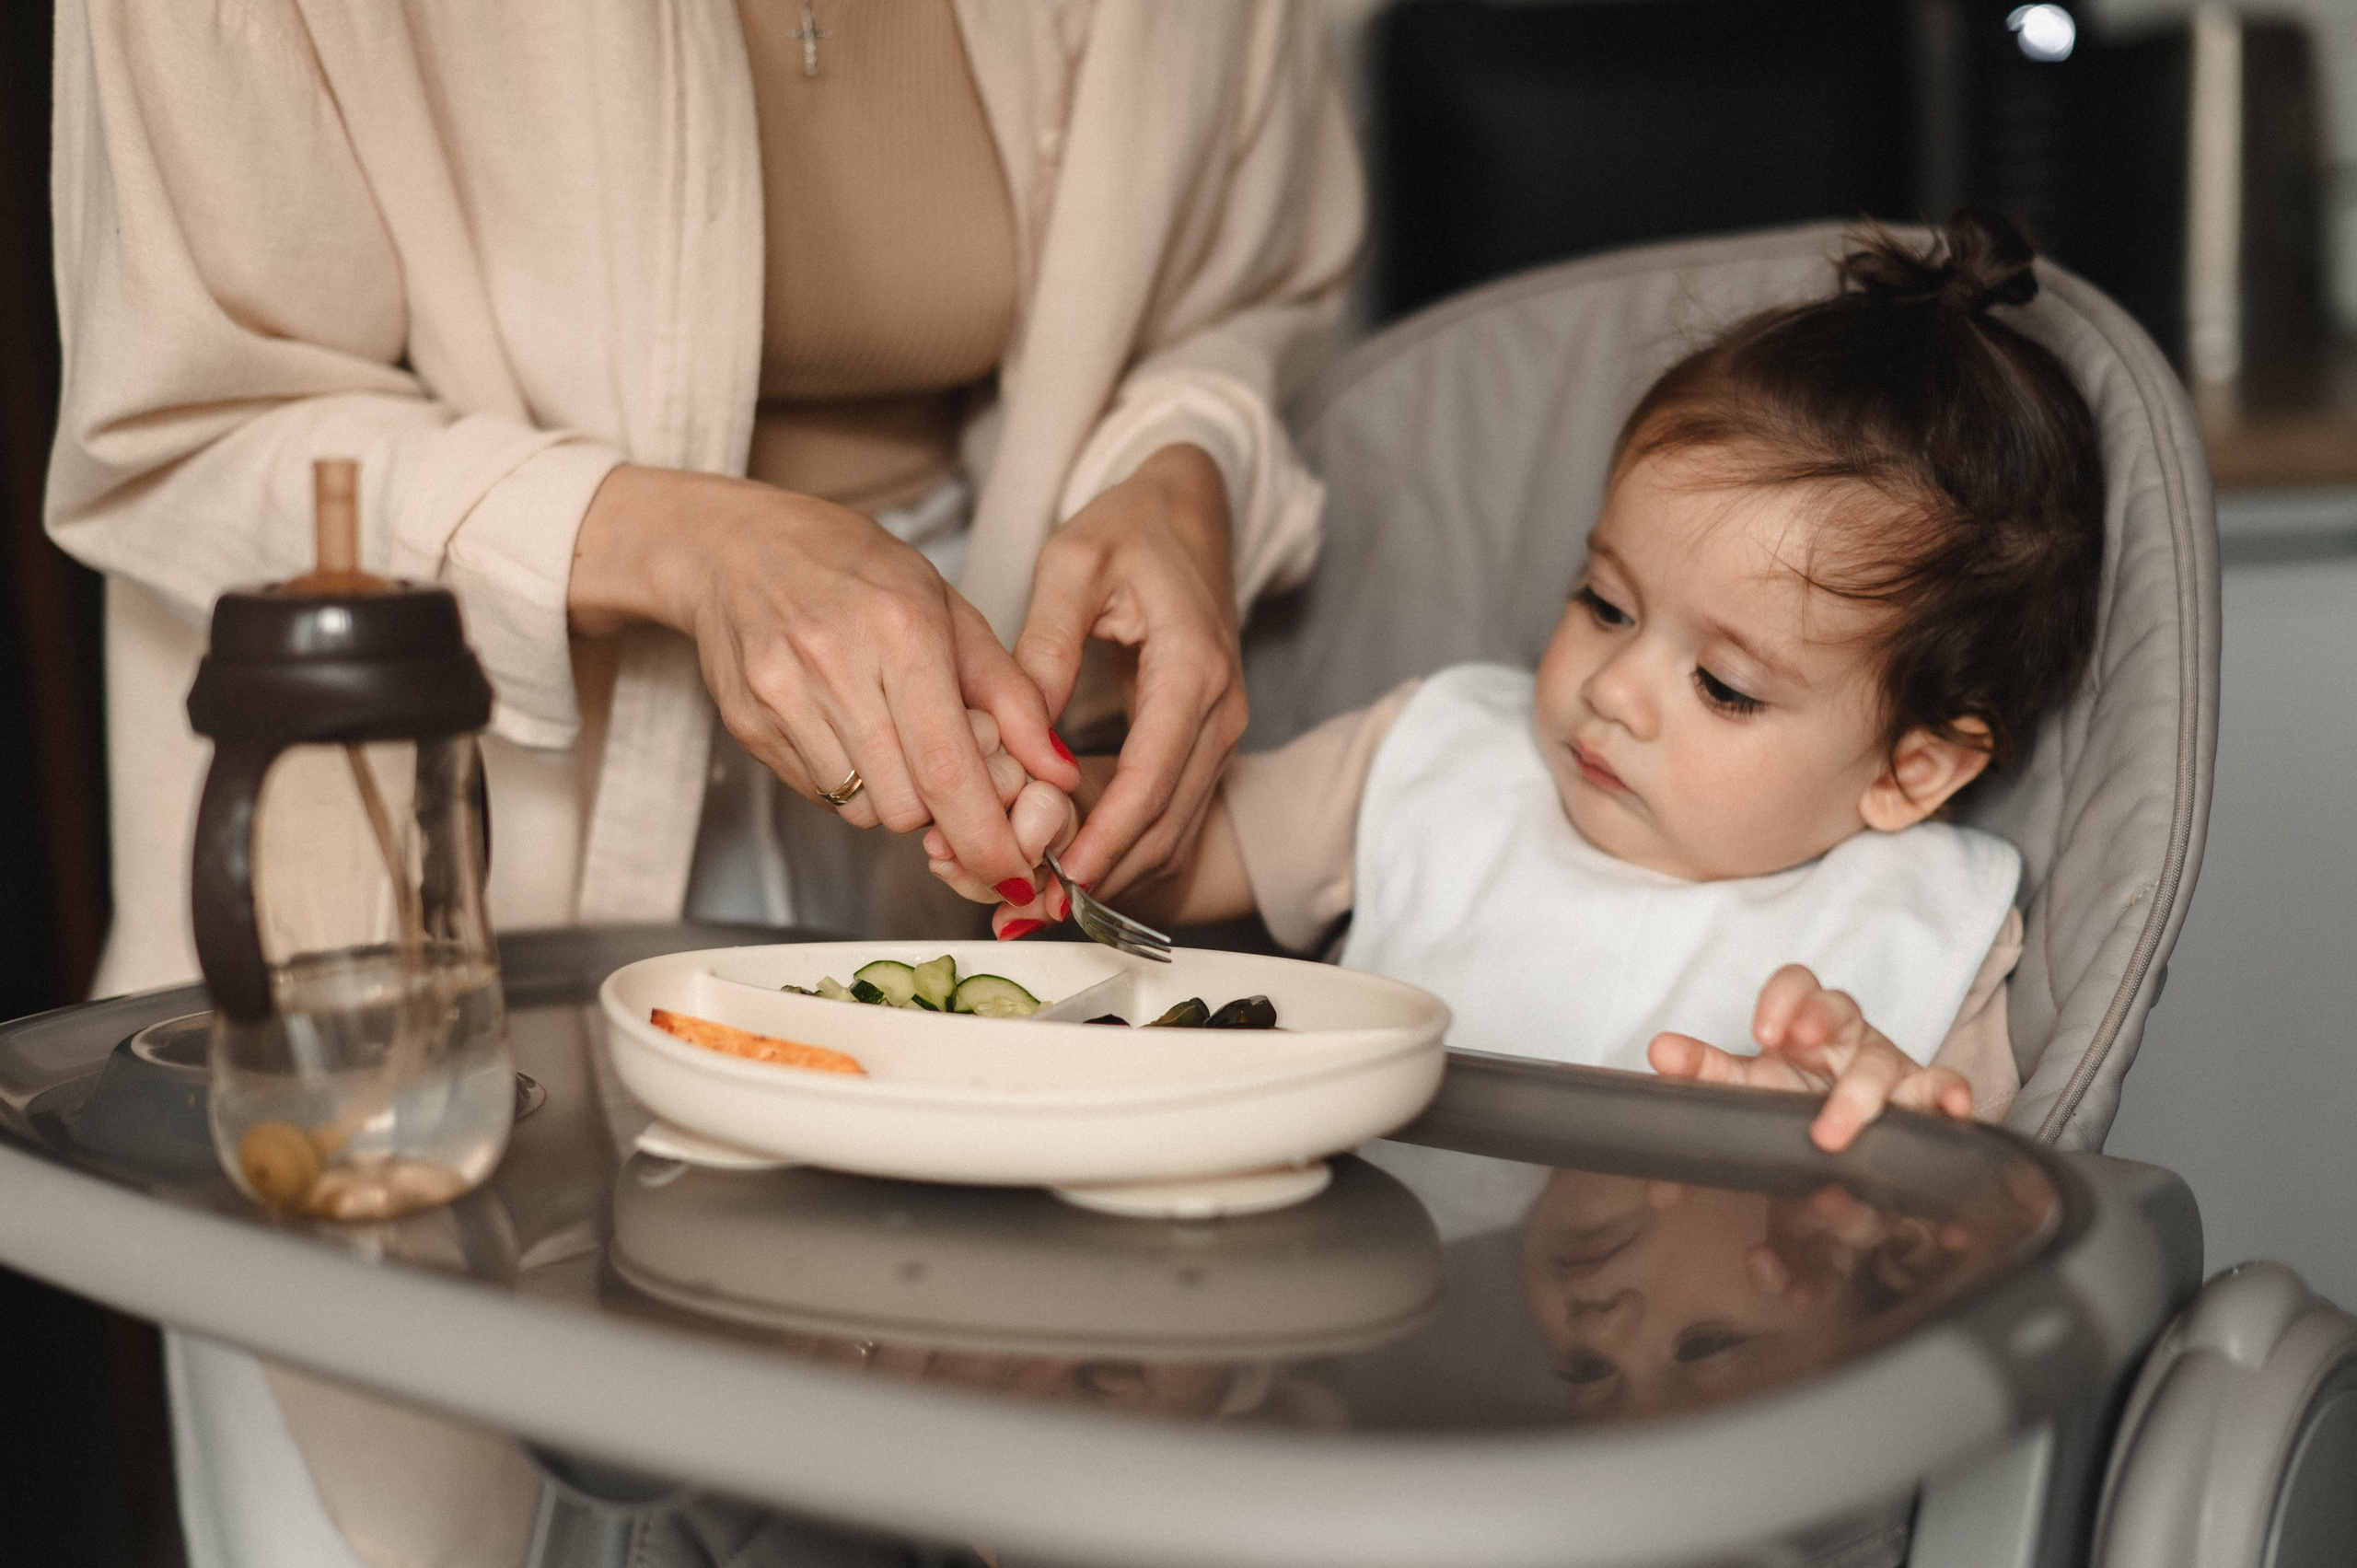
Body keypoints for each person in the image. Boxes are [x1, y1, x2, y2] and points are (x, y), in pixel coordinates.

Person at [49, 5, 1361, 1565]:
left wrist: (1183, 470)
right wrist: (687, 543)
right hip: (429, 879)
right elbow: (181, 433)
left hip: (961, 815)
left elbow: (1255, 297)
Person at [930, 209, 2106, 1151]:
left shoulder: (1917, 931)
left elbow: (1974, 1227)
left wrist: (1867, 1123)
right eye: (1604, 603)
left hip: (1682, 1410)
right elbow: (1176, 847)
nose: (1614, 690)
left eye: (1725, 686)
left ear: (1913, 769)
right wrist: (1049, 815)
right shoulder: (1442, 752)